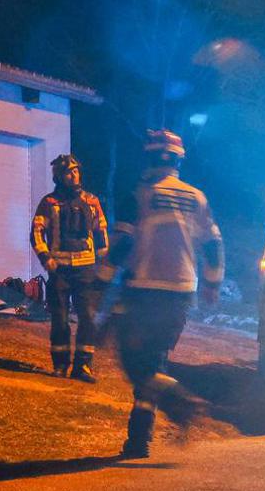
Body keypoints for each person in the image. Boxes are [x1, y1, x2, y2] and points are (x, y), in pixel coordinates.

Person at [96, 129, 224, 459]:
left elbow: (123, 243)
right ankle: (139, 440)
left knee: (135, 366)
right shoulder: (197, 197)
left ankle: (183, 402)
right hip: (181, 293)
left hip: (142, 291)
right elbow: (213, 244)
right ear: (179, 160)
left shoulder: (139, 194)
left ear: (150, 157)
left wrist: (101, 278)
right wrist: (212, 282)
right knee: (155, 364)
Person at [32, 153, 109, 381]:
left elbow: (101, 232)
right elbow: (36, 232)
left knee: (88, 317)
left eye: (75, 171)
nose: (73, 175)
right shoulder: (49, 203)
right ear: (59, 177)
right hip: (59, 270)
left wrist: (104, 263)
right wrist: (46, 258)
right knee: (60, 318)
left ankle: (83, 366)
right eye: (68, 172)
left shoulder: (91, 201)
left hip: (86, 269)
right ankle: (60, 365)